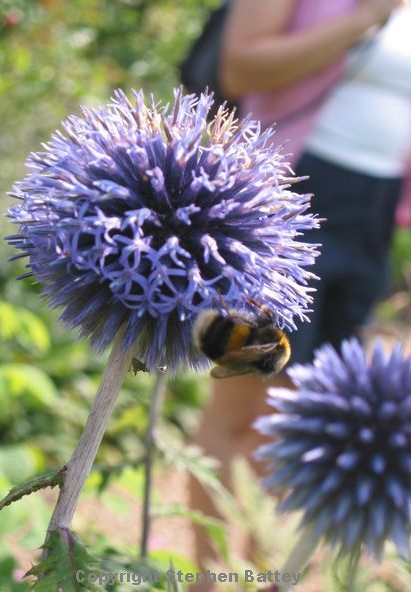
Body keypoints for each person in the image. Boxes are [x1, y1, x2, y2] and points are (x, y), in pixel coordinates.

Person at [189, 1, 411, 589]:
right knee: (242, 402)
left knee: (300, 402)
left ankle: (264, 572)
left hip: (373, 210)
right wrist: (366, 19)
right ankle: (208, 577)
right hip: (289, 190)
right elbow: (241, 68)